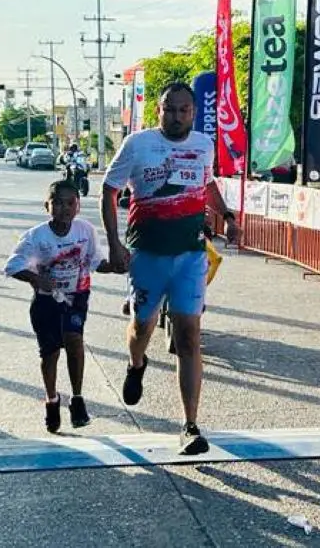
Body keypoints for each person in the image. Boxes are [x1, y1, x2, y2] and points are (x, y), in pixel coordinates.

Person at [102, 82, 238, 456]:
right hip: (147, 253)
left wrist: (225, 214)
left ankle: (190, 425)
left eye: (183, 110)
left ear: (193, 113)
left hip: (190, 255)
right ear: (157, 111)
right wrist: (114, 244)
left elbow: (207, 182)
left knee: (189, 337)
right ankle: (136, 363)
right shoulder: (137, 144)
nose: (176, 116)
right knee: (141, 326)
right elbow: (109, 191)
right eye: (168, 109)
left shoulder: (203, 144)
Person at [5, 179, 109, 432]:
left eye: (70, 203)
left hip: (76, 297)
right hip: (45, 302)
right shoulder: (36, 236)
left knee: (75, 341)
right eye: (58, 203)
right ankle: (52, 400)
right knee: (50, 354)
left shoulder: (85, 231)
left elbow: (96, 261)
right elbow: (12, 266)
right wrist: (37, 278)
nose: (64, 208)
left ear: (78, 206)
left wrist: (119, 264)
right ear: (47, 206)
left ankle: (77, 399)